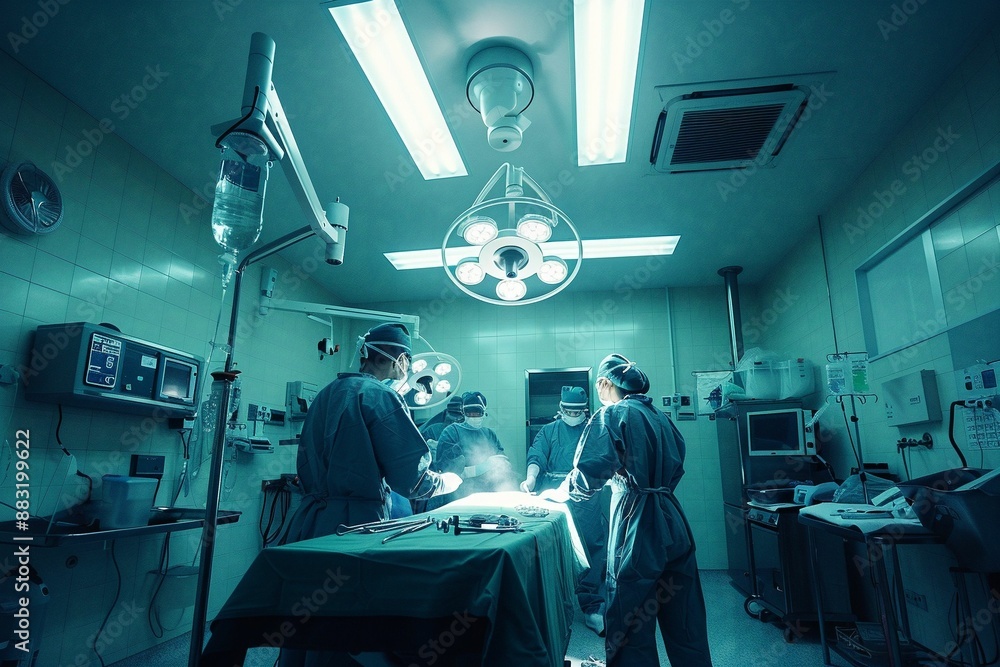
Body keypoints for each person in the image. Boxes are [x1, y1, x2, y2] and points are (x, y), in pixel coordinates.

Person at [559, 354, 713, 667]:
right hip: (673, 517)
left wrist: (562, 492)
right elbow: (676, 467)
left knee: (630, 619)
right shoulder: (661, 417)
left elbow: (589, 475)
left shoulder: (612, 414)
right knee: (685, 616)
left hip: (637, 522)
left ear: (603, 383)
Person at [521, 386, 609, 637]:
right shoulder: (549, 431)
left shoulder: (593, 430)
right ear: (560, 409)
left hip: (587, 497)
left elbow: (603, 460)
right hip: (554, 495)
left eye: (577, 411)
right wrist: (530, 479)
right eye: (568, 410)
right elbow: (536, 456)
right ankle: (554, 605)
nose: (573, 414)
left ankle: (593, 607)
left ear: (585, 410)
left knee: (591, 545)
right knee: (552, 547)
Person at [429, 391, 514, 507]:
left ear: (484, 412)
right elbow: (449, 471)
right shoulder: (451, 432)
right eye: (470, 412)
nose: (474, 416)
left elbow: (502, 462)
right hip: (458, 497)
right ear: (463, 412)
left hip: (488, 494)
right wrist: (482, 467)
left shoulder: (489, 434)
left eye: (478, 412)